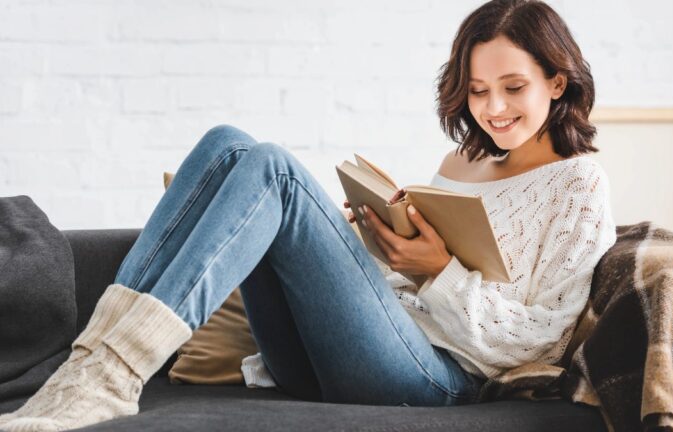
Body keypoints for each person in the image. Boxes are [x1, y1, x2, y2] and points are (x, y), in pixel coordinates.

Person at [0, 0, 617, 430]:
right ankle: (94, 362)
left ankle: (112, 372)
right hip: (354, 351)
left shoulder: (578, 183)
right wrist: (374, 242)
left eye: (513, 87)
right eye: (479, 90)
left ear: (557, 82)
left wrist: (440, 274)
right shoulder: (460, 163)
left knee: (272, 167)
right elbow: (405, 288)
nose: (493, 108)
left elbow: (547, 339)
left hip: (439, 378)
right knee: (228, 142)